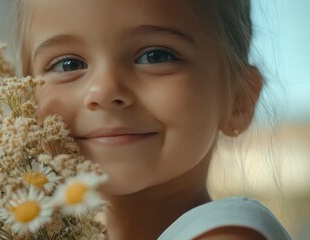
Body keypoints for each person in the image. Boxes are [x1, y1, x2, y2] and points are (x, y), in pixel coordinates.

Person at [15, 0, 291, 239]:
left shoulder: (226, 234)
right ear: (23, 99)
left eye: (155, 56)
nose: (105, 90)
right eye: (69, 64)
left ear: (239, 100)